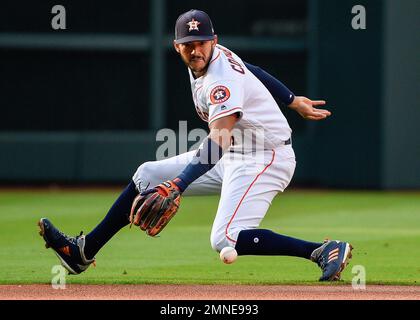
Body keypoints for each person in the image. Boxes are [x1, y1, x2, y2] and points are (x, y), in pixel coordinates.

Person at [38, 9, 352, 281]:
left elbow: (219, 138)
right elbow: (253, 71)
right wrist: (292, 99)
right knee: (147, 174)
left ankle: (322, 251)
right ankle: (83, 252)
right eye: (188, 44)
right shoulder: (211, 58)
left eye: (201, 42)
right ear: (177, 47)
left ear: (213, 41)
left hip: (265, 157)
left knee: (225, 238)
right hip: (237, 151)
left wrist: (179, 183)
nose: (195, 49)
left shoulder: (220, 80)